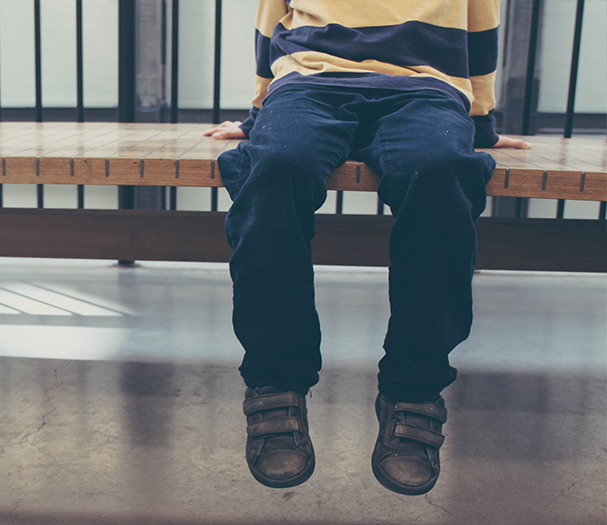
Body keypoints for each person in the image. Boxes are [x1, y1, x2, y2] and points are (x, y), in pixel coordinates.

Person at [203, 0, 531, 495]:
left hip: (425, 90)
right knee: (274, 169)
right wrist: (257, 115)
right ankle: (276, 383)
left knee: (441, 171)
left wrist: (480, 126)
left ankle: (414, 390)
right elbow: (268, 25)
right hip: (309, 85)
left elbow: (479, 29)